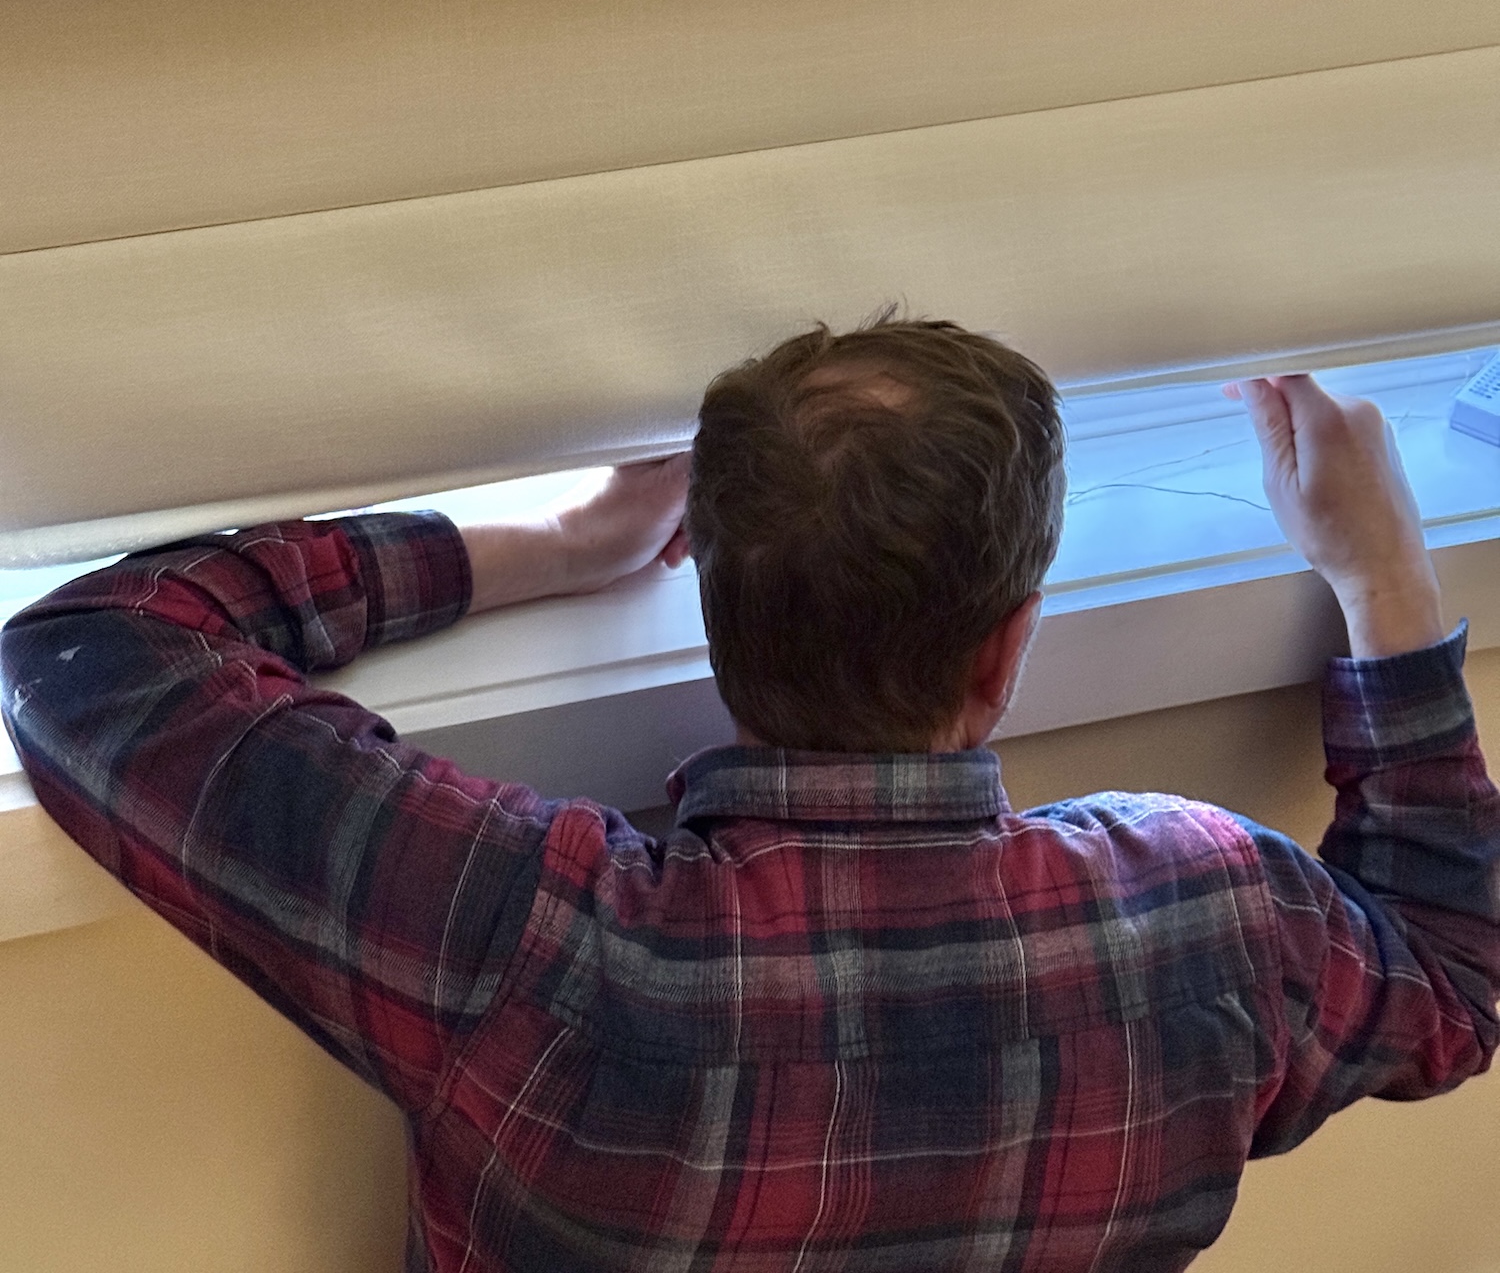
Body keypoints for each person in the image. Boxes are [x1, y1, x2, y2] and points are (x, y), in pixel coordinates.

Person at [3, 316, 1497, 1272]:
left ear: (717, 607)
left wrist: (558, 547)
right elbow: (1458, 974)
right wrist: (1385, 579)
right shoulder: (1206, 920)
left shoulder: (538, 944)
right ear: (1008, 649)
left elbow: (92, 652)